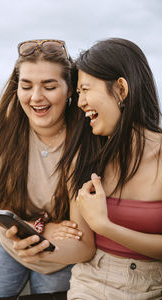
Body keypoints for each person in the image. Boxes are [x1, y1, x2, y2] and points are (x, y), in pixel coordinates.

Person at [0, 39, 95, 300]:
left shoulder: (85, 139)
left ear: (70, 90)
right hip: (8, 243)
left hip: (62, 257)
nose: (36, 97)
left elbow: (83, 244)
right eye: (26, 86)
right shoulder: (0, 130)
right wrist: (36, 229)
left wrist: (42, 243)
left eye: (49, 86)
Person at [63, 38, 162, 299]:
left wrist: (105, 226)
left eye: (85, 89)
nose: (81, 102)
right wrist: (35, 240)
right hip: (92, 282)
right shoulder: (83, 158)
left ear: (120, 89)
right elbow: (81, 247)